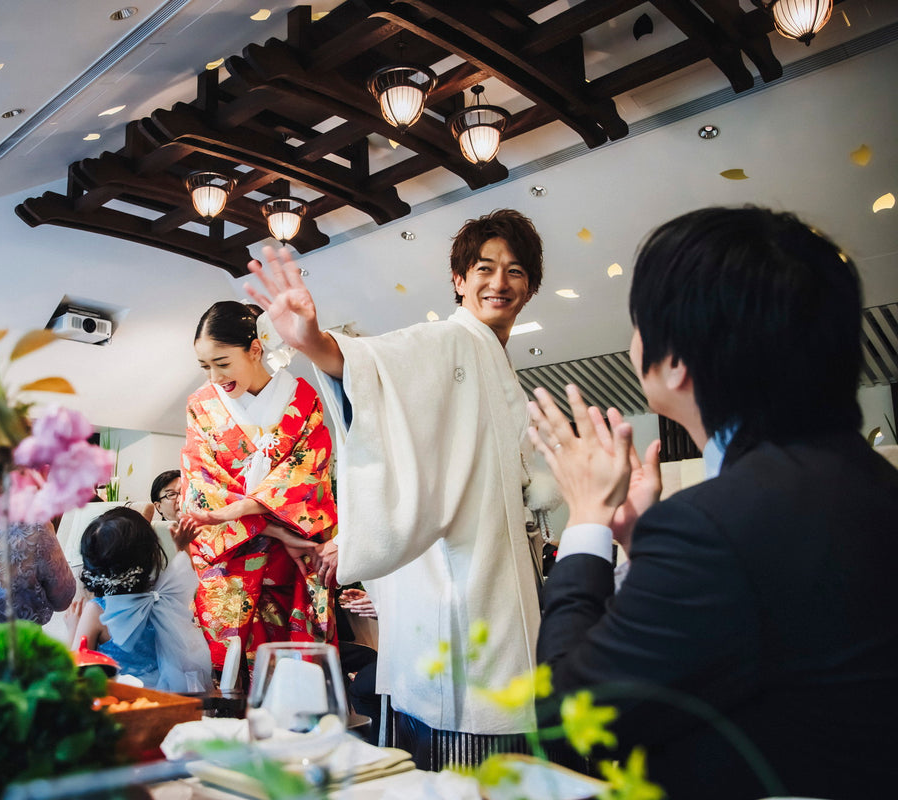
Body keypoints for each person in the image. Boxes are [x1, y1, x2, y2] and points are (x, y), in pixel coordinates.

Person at [529, 206, 898, 800]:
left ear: (675, 363)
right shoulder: (866, 486)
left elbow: (570, 724)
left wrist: (588, 519)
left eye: (639, 322)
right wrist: (642, 542)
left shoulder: (717, 527)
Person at [245, 210, 551, 769]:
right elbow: (376, 364)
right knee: (467, 762)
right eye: (484, 267)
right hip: (462, 603)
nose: (499, 282)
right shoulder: (450, 342)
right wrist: (315, 342)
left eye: (515, 271)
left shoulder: (496, 362)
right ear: (459, 279)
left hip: (498, 593)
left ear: (529, 286)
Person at [179, 301, 338, 678]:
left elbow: (308, 477)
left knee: (292, 675)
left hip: (290, 561)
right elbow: (201, 485)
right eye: (205, 367)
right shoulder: (201, 406)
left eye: (222, 362)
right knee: (228, 672)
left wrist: (233, 512)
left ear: (254, 349)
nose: (215, 376)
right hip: (233, 559)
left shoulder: (302, 399)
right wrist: (271, 527)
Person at [70, 507, 212, 692]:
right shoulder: (164, 597)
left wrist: (73, 629)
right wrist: (182, 546)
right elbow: (185, 578)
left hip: (123, 703)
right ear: (151, 557)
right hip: (168, 696)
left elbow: (75, 672)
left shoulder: (97, 611)